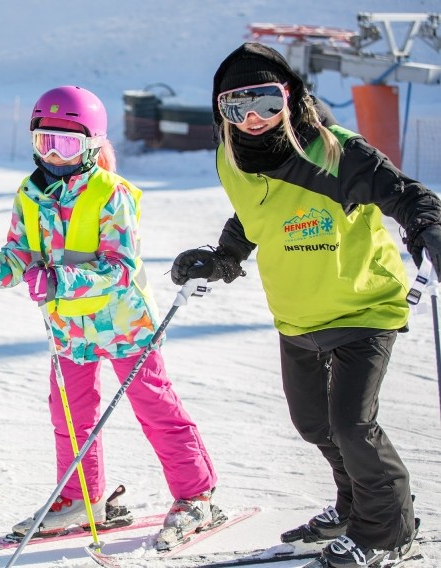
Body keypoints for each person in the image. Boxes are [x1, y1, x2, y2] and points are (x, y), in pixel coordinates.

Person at [170, 42, 434, 568]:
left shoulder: (336, 151)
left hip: (362, 306)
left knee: (353, 425)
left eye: (267, 102)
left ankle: (389, 530)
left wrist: (428, 228)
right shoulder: (232, 157)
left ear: (290, 97)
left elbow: (408, 195)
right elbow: (252, 215)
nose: (253, 119)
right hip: (297, 314)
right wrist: (221, 257)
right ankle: (353, 506)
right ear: (220, 112)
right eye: (235, 107)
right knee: (315, 423)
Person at [0, 85, 219, 546]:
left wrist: (59, 280)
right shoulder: (29, 195)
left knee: (154, 408)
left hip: (125, 323)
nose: (54, 154)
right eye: (44, 142)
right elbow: (18, 257)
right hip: (69, 329)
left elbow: (121, 267)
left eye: (67, 144)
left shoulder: (110, 194)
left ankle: (196, 495)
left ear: (91, 145)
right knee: (70, 414)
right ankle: (79, 496)